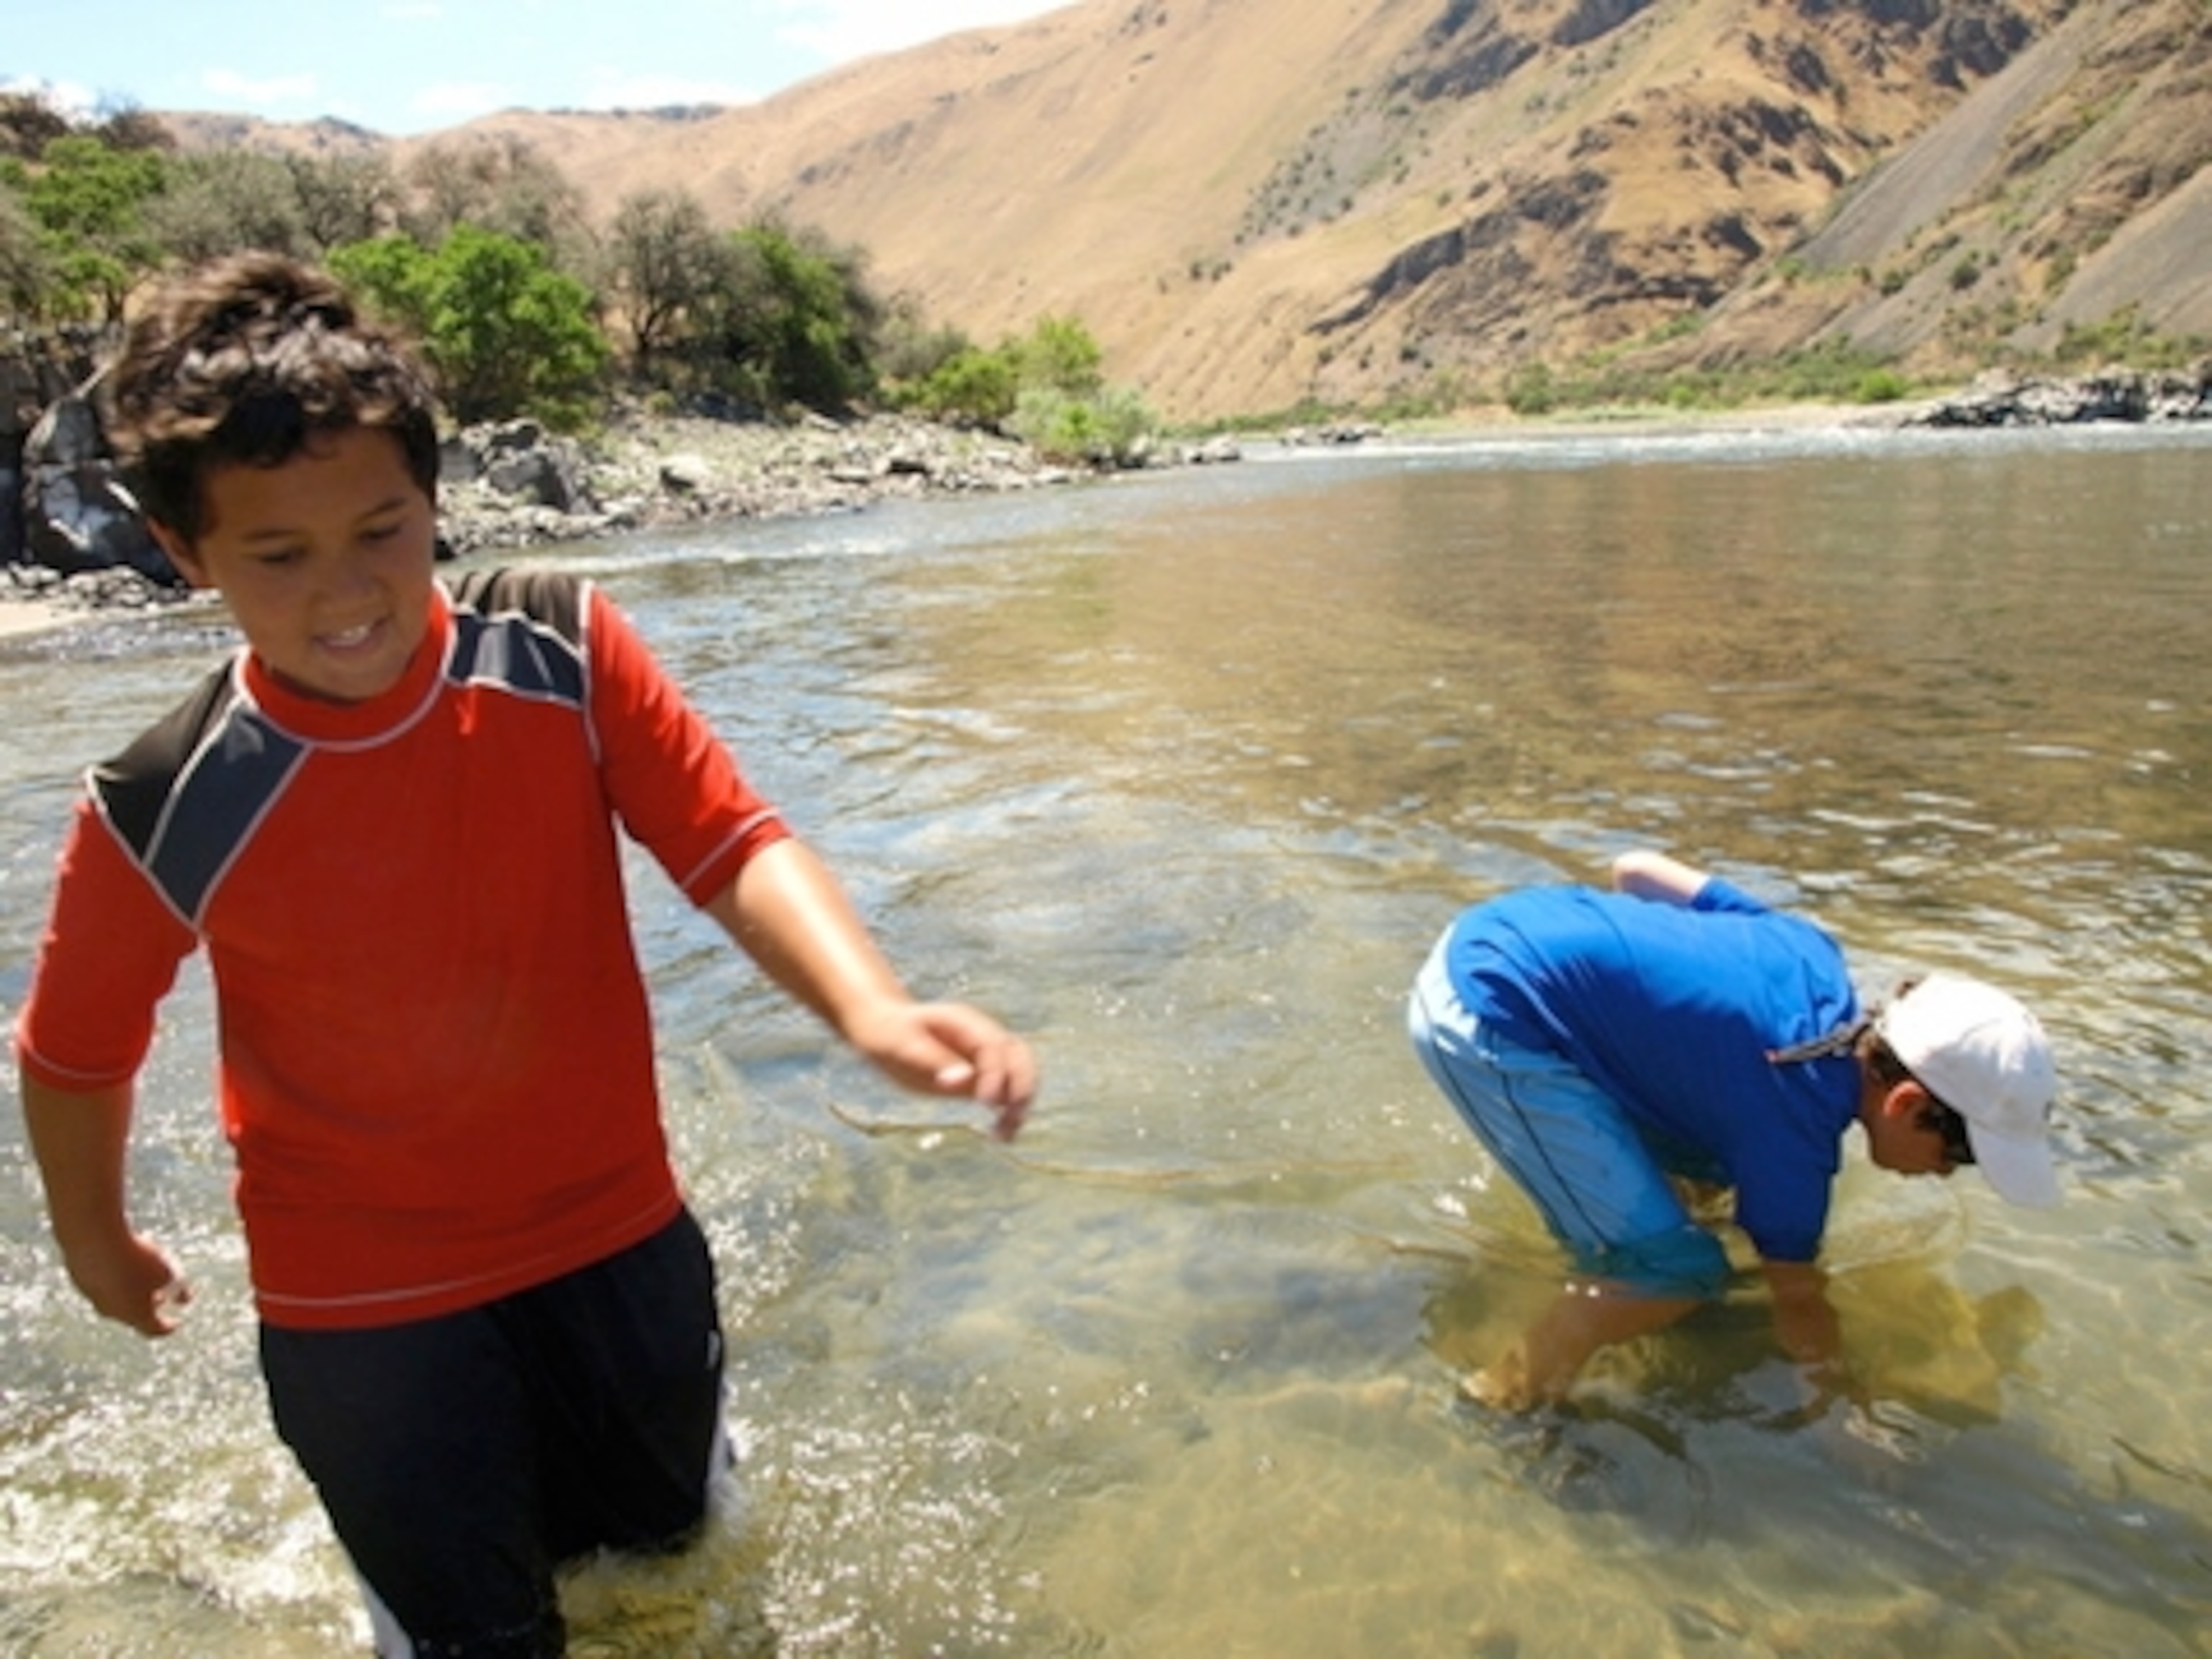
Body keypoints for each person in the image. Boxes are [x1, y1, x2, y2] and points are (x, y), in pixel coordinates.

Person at [12, 253, 1038, 1658]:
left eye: (383, 529)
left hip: (619, 1244)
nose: (347, 590)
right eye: (278, 555)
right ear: (184, 551)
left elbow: (728, 839)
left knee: (676, 1576)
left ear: (434, 498)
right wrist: (94, 1238)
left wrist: (872, 1010)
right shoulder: (164, 797)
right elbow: (75, 1050)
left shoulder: (556, 645)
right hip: (363, 1312)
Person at [1406, 848, 2058, 1412]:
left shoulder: (1811, 953)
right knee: (1673, 1275)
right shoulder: (1794, 1138)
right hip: (1487, 1016)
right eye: (1958, 1156)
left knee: (1712, 1171)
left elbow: (1635, 871)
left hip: (1500, 927)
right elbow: (1797, 1299)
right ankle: (1501, 1401)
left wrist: (1632, 998)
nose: (1944, 1174)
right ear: (1907, 1103)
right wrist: (1836, 1406)